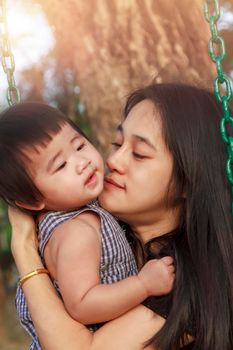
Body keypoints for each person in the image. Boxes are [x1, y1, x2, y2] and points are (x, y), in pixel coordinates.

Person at [9, 83, 233, 350]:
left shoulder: (188, 282)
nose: (113, 160)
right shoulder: (96, 231)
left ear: (187, 180)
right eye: (117, 144)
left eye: (139, 154)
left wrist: (23, 249)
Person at [0, 102, 174, 349]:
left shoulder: (86, 212)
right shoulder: (75, 232)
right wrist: (143, 285)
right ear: (32, 200)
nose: (81, 161)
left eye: (80, 145)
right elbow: (82, 304)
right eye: (61, 165)